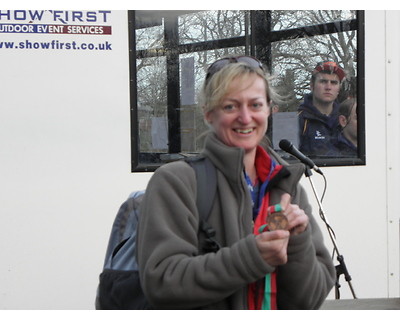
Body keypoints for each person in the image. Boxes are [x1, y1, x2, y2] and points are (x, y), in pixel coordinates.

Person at [136, 55, 336, 310]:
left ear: (268, 109)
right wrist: (253, 256)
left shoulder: (287, 185)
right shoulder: (176, 182)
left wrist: (296, 242)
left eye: (255, 105)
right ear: (209, 113)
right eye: (230, 106)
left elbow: (308, 300)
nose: (245, 117)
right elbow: (162, 283)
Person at [298, 61, 346, 156]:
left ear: (339, 89)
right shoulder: (298, 121)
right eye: (323, 81)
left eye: (334, 83)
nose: (328, 87)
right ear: (312, 86)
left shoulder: (346, 120)